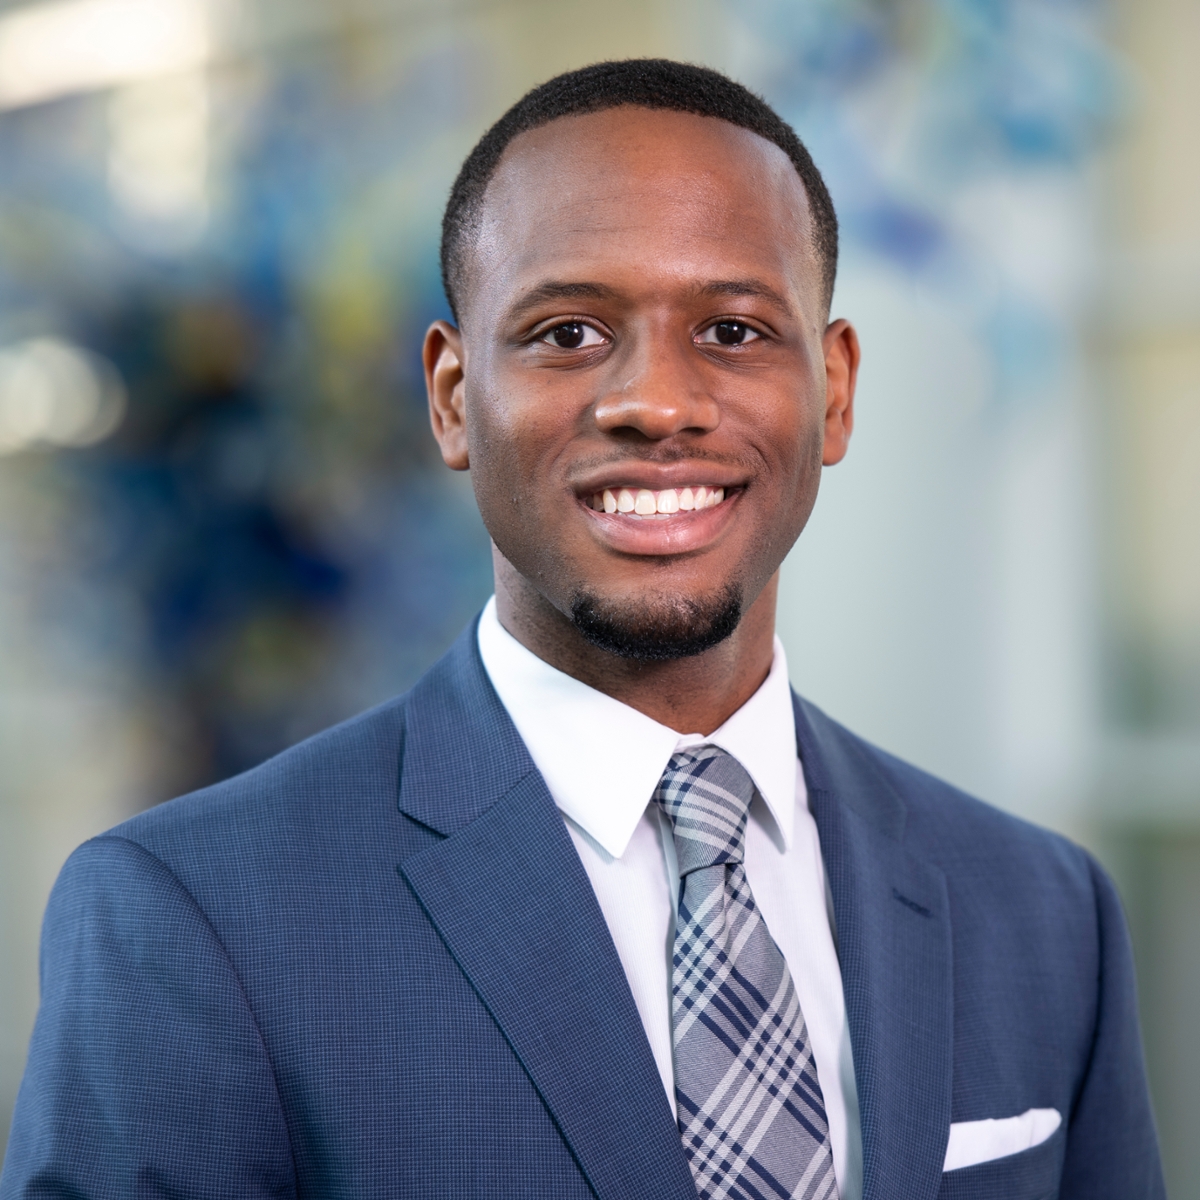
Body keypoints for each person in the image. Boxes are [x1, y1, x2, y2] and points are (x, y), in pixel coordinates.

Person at [1, 59, 1164, 1200]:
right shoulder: (191, 916)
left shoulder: (1042, 911)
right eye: (568, 333)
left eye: (735, 331)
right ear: (455, 398)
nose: (656, 402)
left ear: (836, 390)